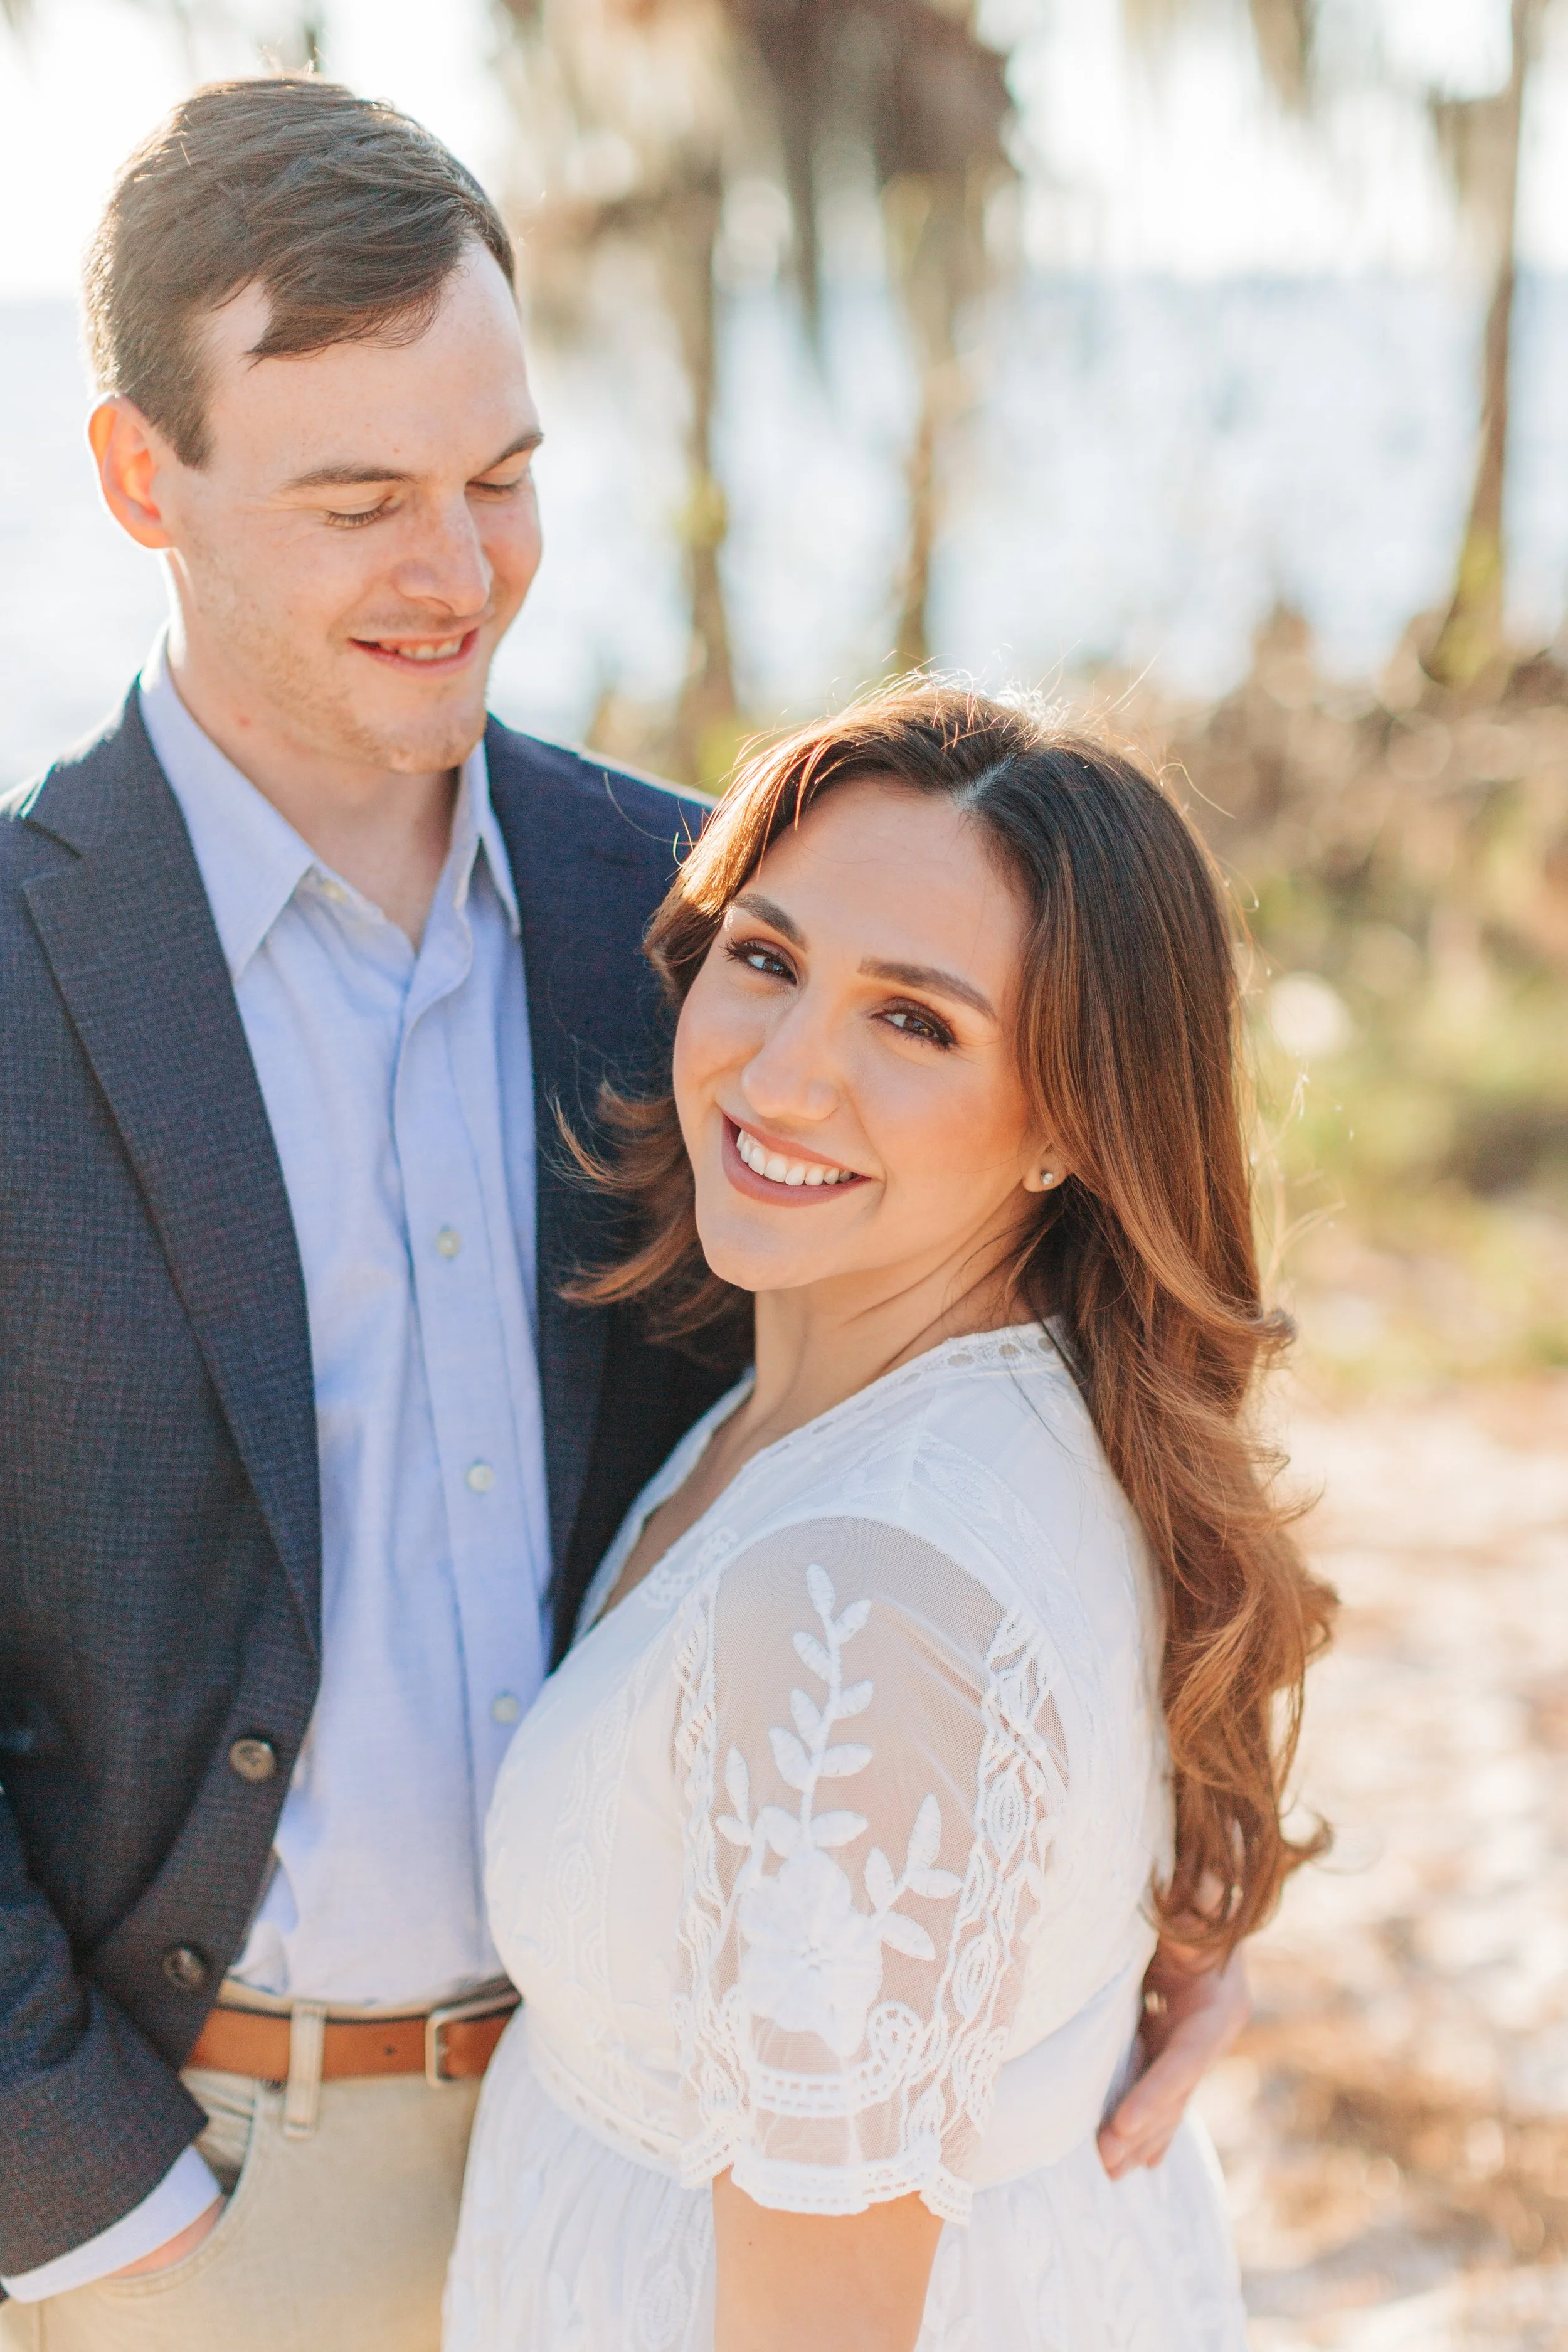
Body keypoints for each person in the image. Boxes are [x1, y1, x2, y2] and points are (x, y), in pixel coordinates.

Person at [0, 72, 1248, 2352]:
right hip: (214, 2185)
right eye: (360, 500)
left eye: (501, 477)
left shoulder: (696, 927)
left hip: (706, 2142)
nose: (459, 569)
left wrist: (1166, 1886)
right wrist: (91, 2204)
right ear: (137, 479)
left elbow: (1081, 1360)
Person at [445, 687, 1335, 2351]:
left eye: (914, 1022)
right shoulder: (895, 1404)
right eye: (767, 958)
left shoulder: (860, 1599)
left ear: (1071, 1118)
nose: (784, 1076)